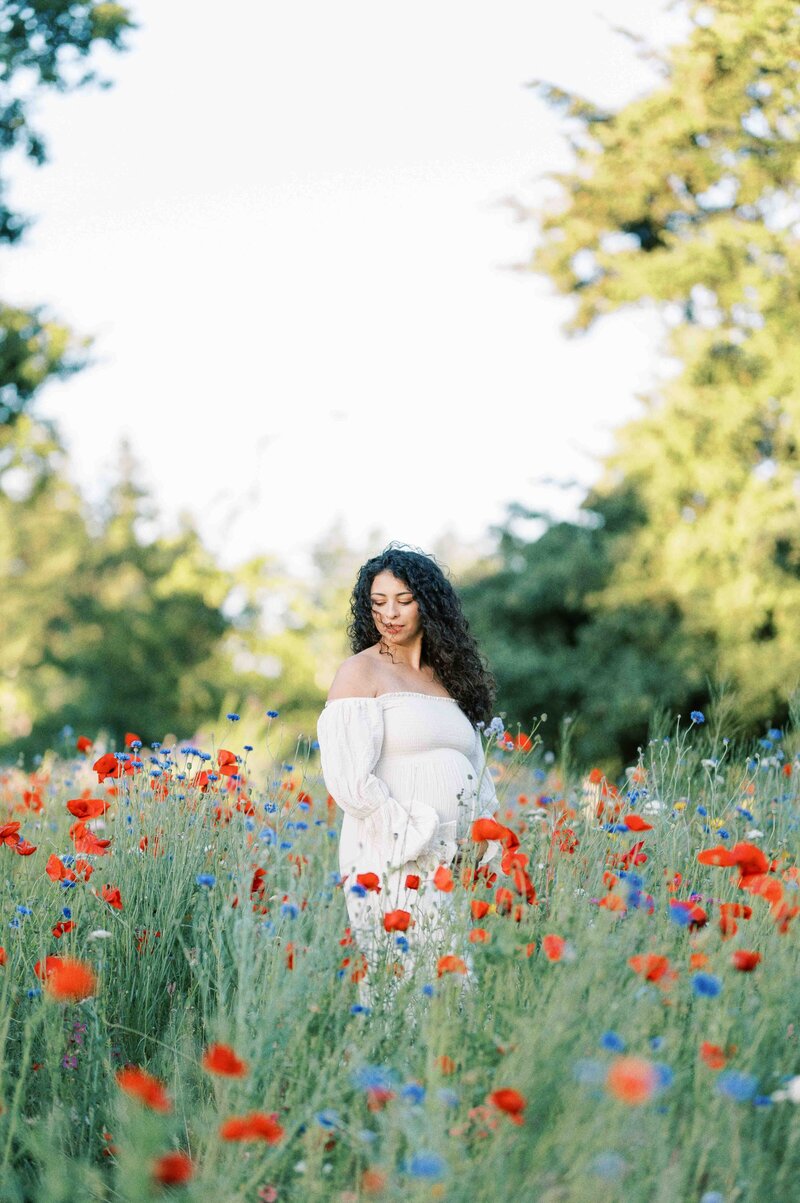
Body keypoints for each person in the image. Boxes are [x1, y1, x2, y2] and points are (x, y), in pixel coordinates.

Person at [316, 545, 501, 1001]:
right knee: (404, 984)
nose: (390, 614)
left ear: (430, 603)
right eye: (378, 603)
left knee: (454, 985)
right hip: (393, 853)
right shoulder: (360, 673)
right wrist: (420, 838)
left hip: (453, 862)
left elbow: (477, 772)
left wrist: (483, 838)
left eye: (403, 600)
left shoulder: (447, 678)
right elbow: (351, 782)